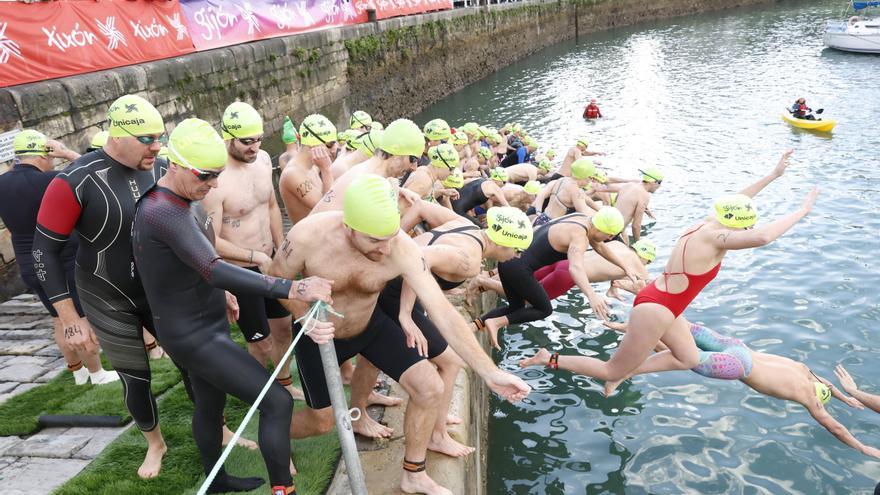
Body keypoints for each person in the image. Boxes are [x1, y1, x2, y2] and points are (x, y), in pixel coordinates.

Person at [272, 175, 530, 495]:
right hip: (319, 334)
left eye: (390, 237)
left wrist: (490, 373)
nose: (385, 250)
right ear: (349, 227)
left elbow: (442, 311)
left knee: (430, 387)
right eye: (374, 240)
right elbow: (277, 277)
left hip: (370, 325)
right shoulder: (308, 235)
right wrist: (303, 316)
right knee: (322, 422)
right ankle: (274, 434)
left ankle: (414, 474)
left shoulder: (400, 248)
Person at [133, 118, 334, 494]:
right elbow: (212, 267)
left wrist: (220, 293)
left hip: (202, 322)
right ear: (174, 165)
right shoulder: (163, 211)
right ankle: (283, 490)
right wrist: (293, 286)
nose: (213, 185)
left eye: (217, 176)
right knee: (276, 402)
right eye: (206, 176)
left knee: (210, 405)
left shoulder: (184, 199)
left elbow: (194, 259)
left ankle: (217, 480)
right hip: (192, 335)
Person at [527, 153, 818, 397]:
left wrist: (773, 175)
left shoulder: (708, 223)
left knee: (688, 357)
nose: (748, 230)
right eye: (747, 226)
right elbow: (763, 237)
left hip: (663, 301)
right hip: (658, 308)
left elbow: (738, 200)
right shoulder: (717, 238)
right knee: (610, 369)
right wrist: (803, 211)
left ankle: (625, 373)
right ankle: (549, 358)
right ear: (739, 226)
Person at [33, 94, 176, 478]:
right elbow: (44, 251)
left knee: (194, 361)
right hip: (106, 294)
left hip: (158, 288)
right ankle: (155, 444)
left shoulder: (163, 167)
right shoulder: (74, 181)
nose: (156, 146)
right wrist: (69, 318)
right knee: (135, 376)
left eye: (160, 137)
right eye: (147, 139)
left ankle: (220, 428)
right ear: (118, 135)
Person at [520, 323, 880, 458]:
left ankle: (632, 323)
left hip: (736, 346)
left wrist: (847, 394)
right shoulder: (810, 400)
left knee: (674, 324)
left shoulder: (803, 371)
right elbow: (835, 427)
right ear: (819, 396)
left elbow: (824, 381)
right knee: (676, 359)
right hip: (736, 366)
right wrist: (864, 447)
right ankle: (614, 373)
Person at [349, 206, 533, 459]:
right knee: (450, 362)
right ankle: (437, 436)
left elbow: (420, 207)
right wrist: (405, 313)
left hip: (387, 284)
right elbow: (420, 259)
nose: (516, 256)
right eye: (517, 250)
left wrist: (393, 246)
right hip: (393, 294)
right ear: (503, 243)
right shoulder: (469, 259)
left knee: (372, 356)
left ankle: (363, 407)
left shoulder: (464, 225)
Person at [0, 130, 117, 385]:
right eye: (51, 157)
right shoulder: (52, 179)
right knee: (79, 317)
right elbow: (95, 173)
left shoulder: (2, 183)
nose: (53, 162)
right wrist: (66, 153)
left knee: (59, 318)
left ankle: (78, 372)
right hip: (60, 259)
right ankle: (97, 374)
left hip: (28, 263)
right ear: (43, 155)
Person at [201, 102, 300, 400]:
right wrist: (256, 257)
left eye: (258, 139)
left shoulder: (263, 160)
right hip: (240, 270)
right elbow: (210, 240)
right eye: (247, 141)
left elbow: (270, 206)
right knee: (261, 343)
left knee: (284, 329)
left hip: (269, 260)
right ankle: (259, 396)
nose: (255, 147)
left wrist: (280, 246)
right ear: (228, 137)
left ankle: (283, 384)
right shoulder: (216, 180)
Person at [476, 207, 640, 349]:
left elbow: (600, 246)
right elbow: (575, 267)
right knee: (544, 309)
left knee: (516, 307)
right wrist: (591, 295)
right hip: (518, 268)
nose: (610, 239)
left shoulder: (582, 219)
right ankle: (495, 322)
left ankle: (474, 326)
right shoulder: (580, 237)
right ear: (600, 228)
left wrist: (625, 267)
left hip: (508, 259)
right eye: (610, 235)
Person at [476, 238, 655, 301]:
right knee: (527, 299)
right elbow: (643, 292)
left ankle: (483, 282)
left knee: (520, 279)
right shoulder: (640, 268)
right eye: (647, 262)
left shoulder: (618, 245)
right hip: (568, 275)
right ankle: (484, 282)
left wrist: (614, 286)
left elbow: (607, 265)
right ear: (645, 258)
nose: (645, 265)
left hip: (563, 262)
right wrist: (622, 287)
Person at [278, 114, 337, 224]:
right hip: (310, 234)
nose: (334, 149)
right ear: (313, 144)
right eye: (330, 144)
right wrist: (326, 170)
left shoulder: (313, 166)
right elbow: (327, 210)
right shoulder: (292, 174)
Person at [598, 166, 664, 244]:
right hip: (610, 232)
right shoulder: (645, 195)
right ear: (652, 182)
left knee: (625, 242)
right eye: (659, 182)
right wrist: (638, 244)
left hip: (601, 224)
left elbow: (619, 201)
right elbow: (636, 225)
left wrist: (646, 210)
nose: (660, 186)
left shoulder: (629, 185)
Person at [532, 158, 603, 226]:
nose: (590, 181)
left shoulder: (561, 180)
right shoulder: (576, 191)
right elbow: (584, 212)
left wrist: (538, 211)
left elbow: (541, 194)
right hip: (551, 225)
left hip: (541, 219)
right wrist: (603, 218)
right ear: (586, 176)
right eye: (591, 178)